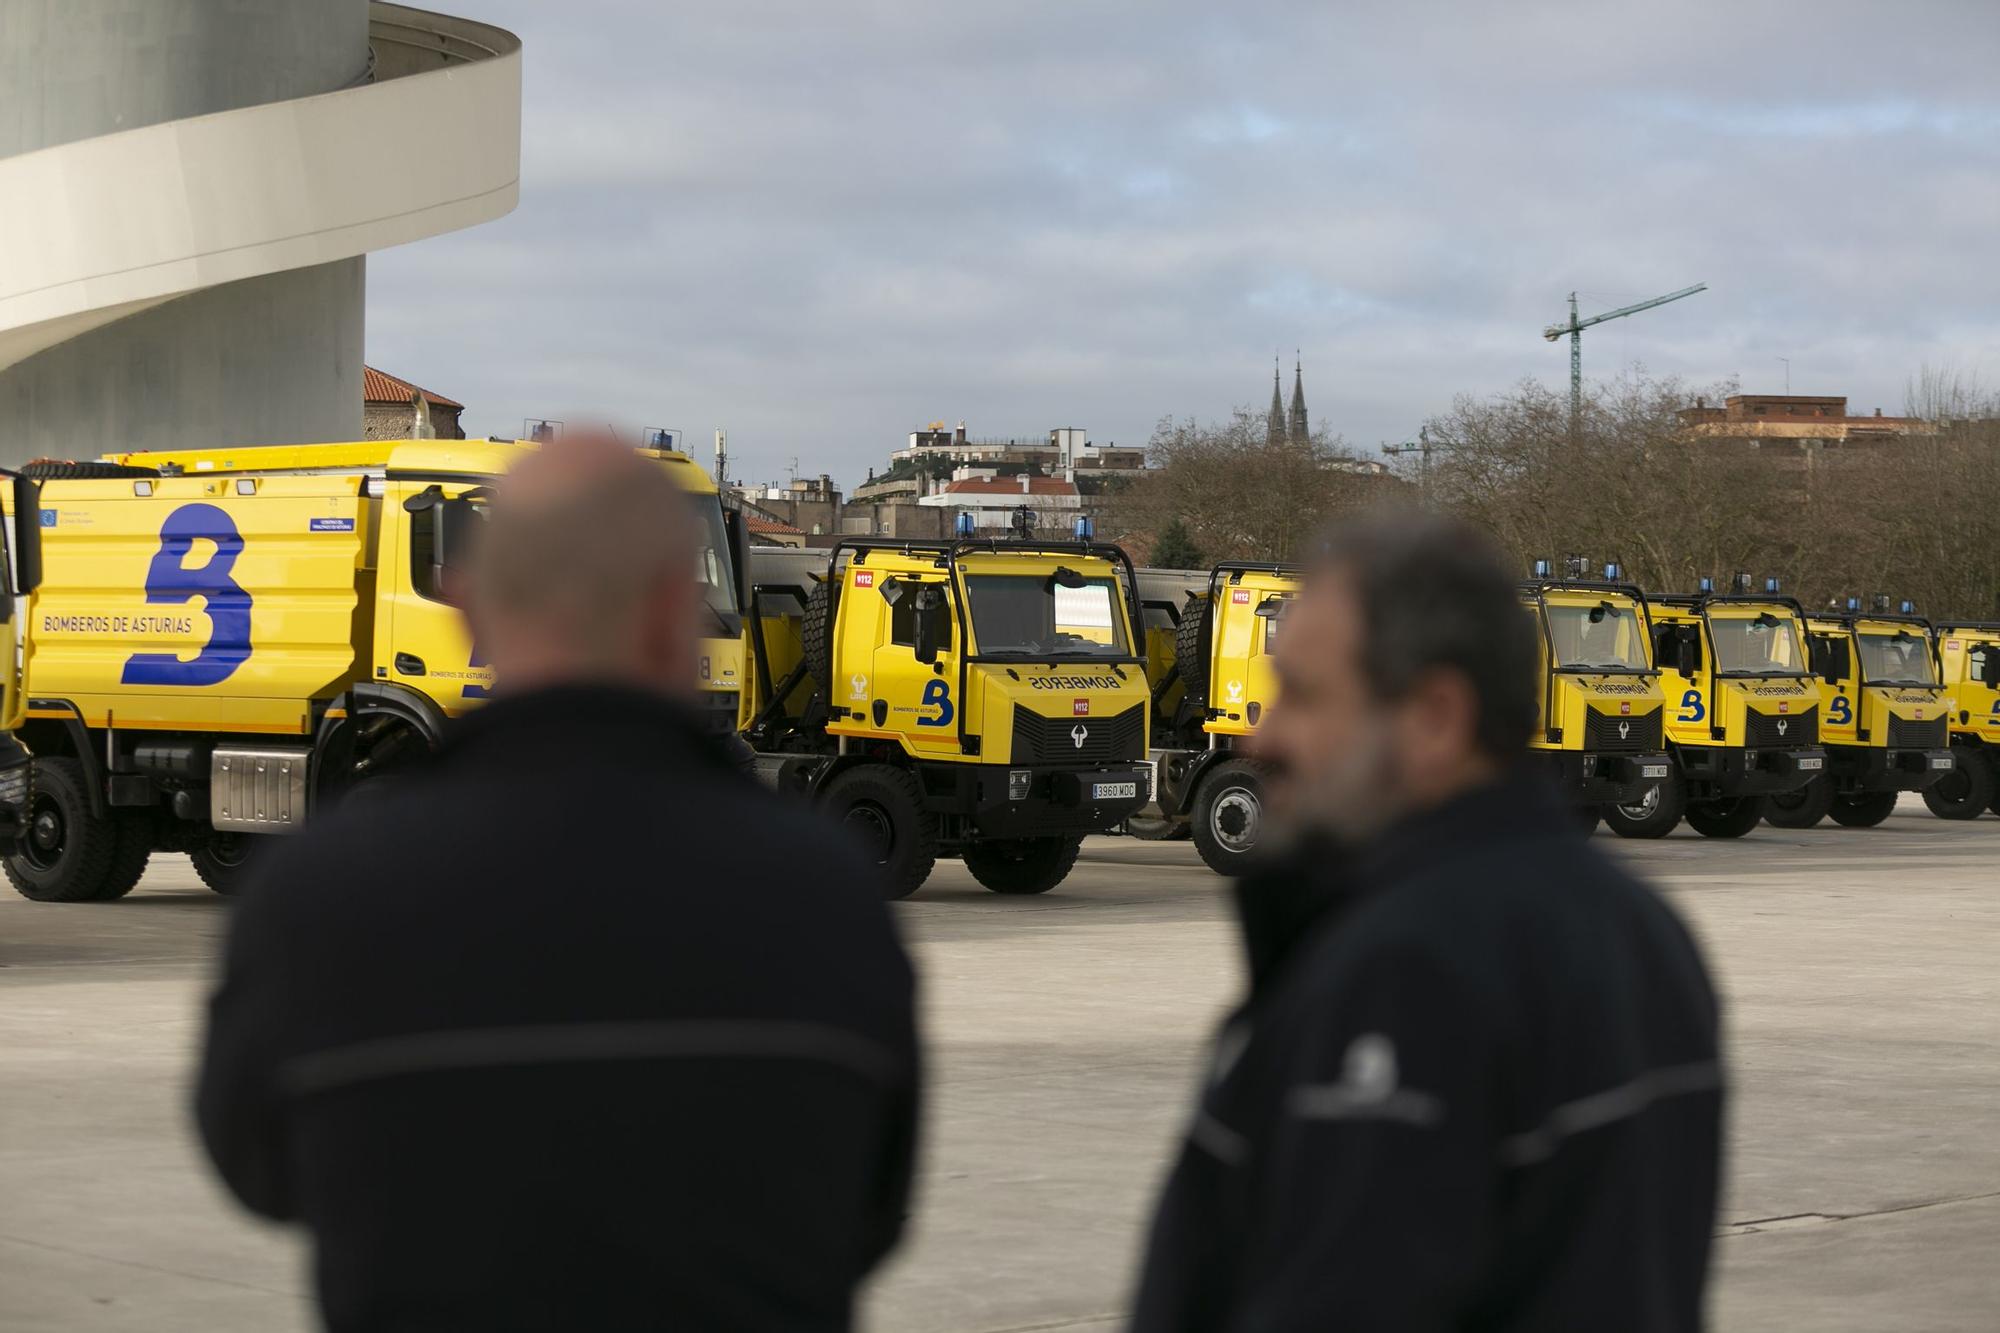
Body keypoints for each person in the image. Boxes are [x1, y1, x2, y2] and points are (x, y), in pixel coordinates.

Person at [196, 435, 919, 1332]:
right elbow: (872, 1212)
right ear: (673, 609)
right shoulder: (829, 899)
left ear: (465, 604)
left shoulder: (320, 895)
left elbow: (257, 1168)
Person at [1132, 514, 1722, 1331]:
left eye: (1302, 693)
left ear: (1435, 716)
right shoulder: (1647, 930)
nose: (1266, 732)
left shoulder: (1403, 972)